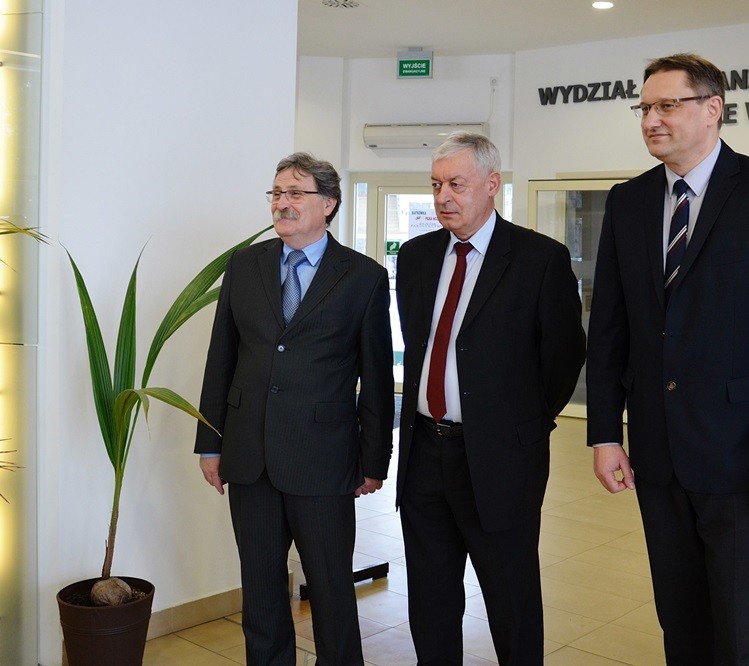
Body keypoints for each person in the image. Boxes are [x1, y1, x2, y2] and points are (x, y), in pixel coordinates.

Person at [586, 53, 749, 664]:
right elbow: (610, 328)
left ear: (712, 109)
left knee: (743, 630)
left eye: (667, 105)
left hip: (742, 460)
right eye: (645, 107)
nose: (651, 120)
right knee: (681, 622)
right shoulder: (628, 202)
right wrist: (605, 433)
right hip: (657, 457)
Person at [194, 152, 393, 665]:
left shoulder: (363, 277)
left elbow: (376, 377)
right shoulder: (245, 265)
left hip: (323, 458)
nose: (282, 203)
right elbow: (222, 357)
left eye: (296, 193)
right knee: (260, 592)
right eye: (277, 193)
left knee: (330, 590)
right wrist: (210, 443)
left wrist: (375, 460)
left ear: (328, 204)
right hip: (250, 456)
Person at [394, 132, 586, 664]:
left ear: (492, 184)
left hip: (500, 459)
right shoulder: (416, 257)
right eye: (436, 185)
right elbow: (418, 344)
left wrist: (520, 424)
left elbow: (564, 358)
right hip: (423, 454)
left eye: (456, 184)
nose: (443, 197)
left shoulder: (538, 259)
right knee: (430, 598)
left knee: (510, 599)